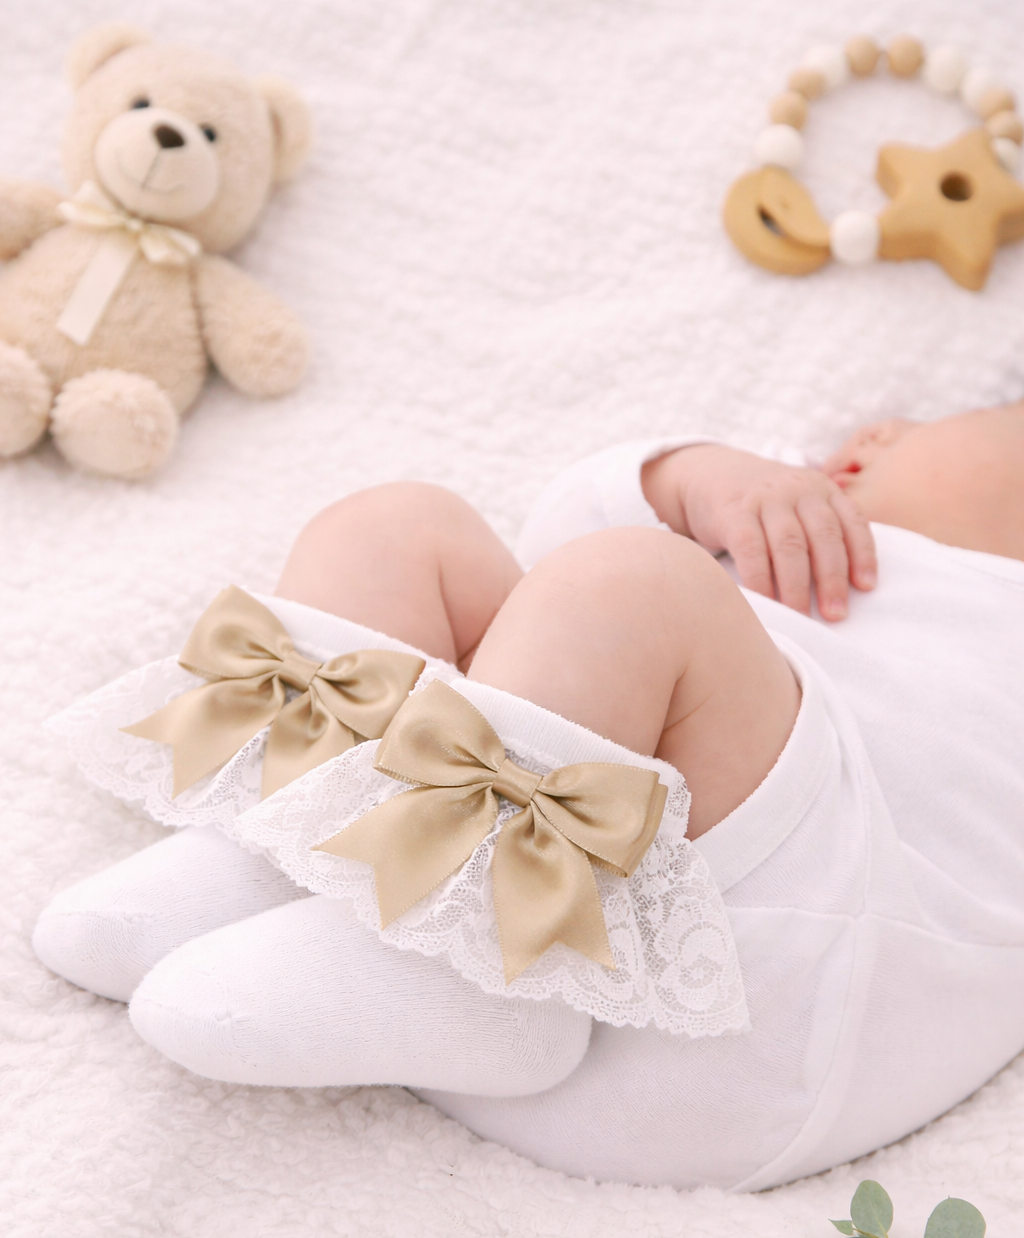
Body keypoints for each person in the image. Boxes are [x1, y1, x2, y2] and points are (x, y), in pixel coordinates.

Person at [34, 404, 1024, 1190]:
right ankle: (281, 852)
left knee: (628, 588)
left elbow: (600, 580)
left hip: (762, 995)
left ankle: (476, 977)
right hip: (636, 856)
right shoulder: (766, 550)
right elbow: (561, 539)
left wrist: (658, 564)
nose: (879, 431)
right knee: (400, 526)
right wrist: (688, 476)